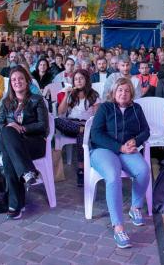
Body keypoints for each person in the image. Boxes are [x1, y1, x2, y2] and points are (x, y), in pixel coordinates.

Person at [89, 78, 151, 249]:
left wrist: (135, 140)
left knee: (143, 170)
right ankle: (118, 227)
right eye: (120, 90)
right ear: (114, 92)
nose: (123, 93)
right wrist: (119, 147)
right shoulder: (105, 108)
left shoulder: (136, 109)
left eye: (127, 90)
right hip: (103, 150)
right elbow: (96, 134)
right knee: (112, 176)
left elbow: (146, 131)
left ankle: (135, 207)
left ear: (131, 93)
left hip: (127, 150)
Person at [0, 65, 48, 219]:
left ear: (27, 81)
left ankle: (16, 204)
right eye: (13, 80)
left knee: (8, 153)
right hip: (13, 144)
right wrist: (11, 126)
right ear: (10, 84)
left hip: (34, 143)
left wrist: (22, 128)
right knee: (7, 131)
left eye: (20, 79)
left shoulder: (37, 99)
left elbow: (43, 125)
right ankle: (26, 172)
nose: (17, 82)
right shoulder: (6, 102)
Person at [55, 69, 100, 186]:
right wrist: (66, 95)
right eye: (76, 79)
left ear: (86, 80)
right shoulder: (72, 94)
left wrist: (87, 127)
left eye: (81, 78)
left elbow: (96, 117)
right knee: (56, 120)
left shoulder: (93, 95)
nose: (78, 81)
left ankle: (81, 169)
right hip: (71, 125)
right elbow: (60, 112)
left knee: (82, 134)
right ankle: (81, 130)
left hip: (86, 125)